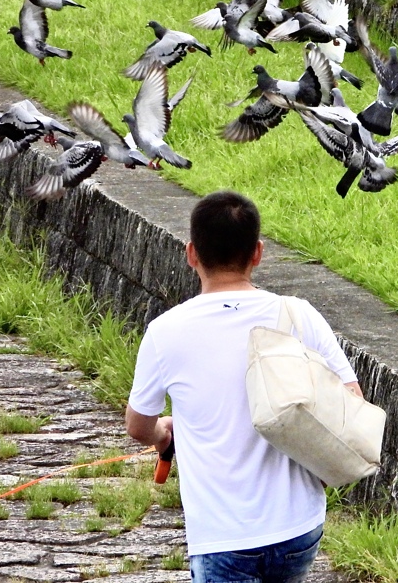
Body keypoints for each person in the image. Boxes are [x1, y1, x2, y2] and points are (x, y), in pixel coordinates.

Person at [125, 190, 361, 583]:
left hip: (223, 536)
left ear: (191, 254)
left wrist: (164, 430)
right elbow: (352, 401)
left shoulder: (165, 331)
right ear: (258, 253)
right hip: (298, 526)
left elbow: (138, 426)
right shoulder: (299, 314)